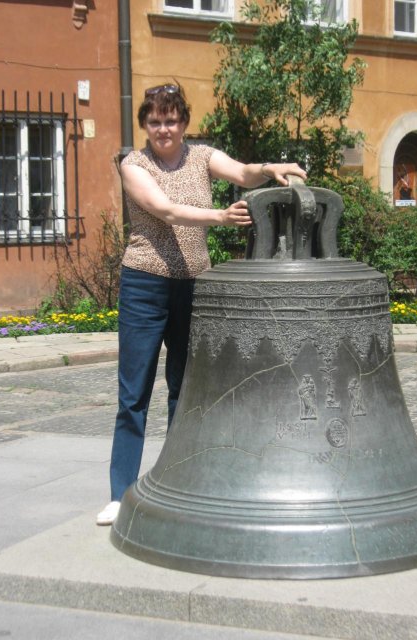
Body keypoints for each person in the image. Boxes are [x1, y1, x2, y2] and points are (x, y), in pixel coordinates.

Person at [97, 83, 307, 525]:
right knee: (133, 394)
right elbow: (165, 209)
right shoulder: (134, 165)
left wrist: (270, 168)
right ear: (145, 124)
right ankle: (120, 494)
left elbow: (243, 173)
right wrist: (220, 217)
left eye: (171, 120)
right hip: (145, 284)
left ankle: (177, 481)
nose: (164, 129)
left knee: (185, 387)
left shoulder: (202, 156)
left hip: (193, 285)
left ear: (184, 123)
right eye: (155, 121)